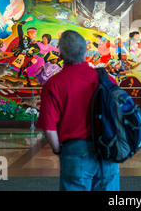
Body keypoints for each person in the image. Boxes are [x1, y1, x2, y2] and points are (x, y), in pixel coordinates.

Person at [36, 30, 120, 191]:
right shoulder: (106, 79)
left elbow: (49, 127)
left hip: (75, 151)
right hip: (108, 148)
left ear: (61, 55)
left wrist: (58, 149)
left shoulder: (54, 84)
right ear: (84, 52)